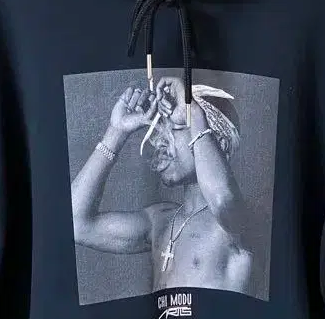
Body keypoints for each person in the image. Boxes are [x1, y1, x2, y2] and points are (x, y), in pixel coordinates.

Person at [70, 74, 253, 294]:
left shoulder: (240, 221)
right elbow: (76, 224)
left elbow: (222, 200)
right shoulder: (160, 220)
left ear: (220, 144)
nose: (162, 142)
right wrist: (117, 131)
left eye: (177, 128)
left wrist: (193, 113)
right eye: (162, 130)